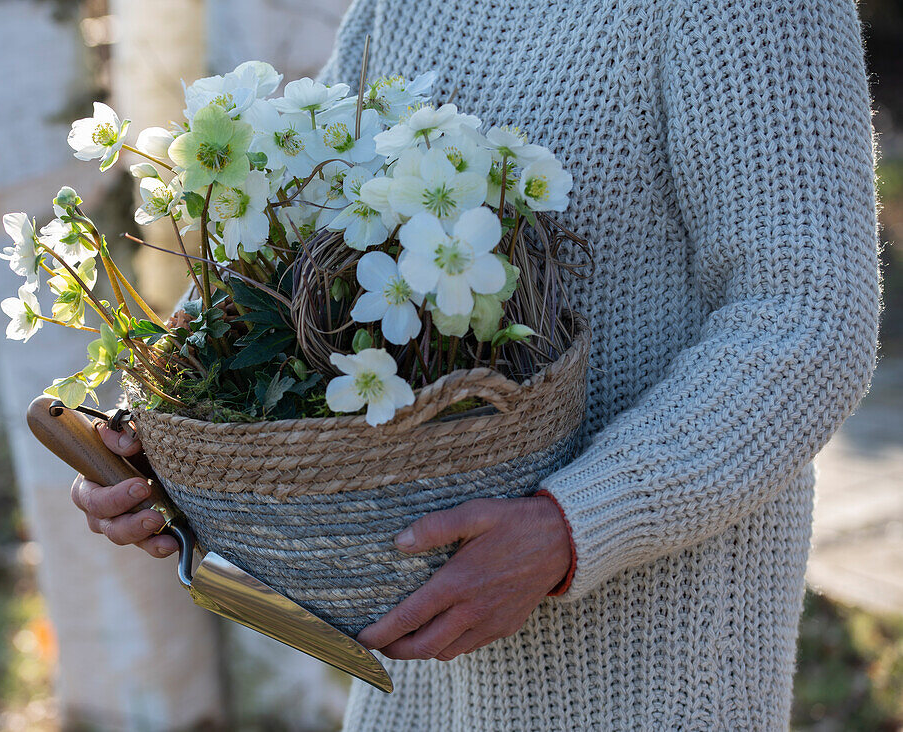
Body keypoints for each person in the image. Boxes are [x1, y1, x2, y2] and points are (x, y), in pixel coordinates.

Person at [70, 0, 881, 728]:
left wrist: (572, 525)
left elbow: (807, 320)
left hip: (651, 670)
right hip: (414, 678)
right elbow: (304, 239)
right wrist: (170, 436)